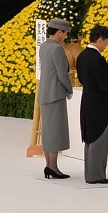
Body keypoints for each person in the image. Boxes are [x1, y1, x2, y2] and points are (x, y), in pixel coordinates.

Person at [76, 25, 108, 184]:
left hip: (87, 100)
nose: (107, 45)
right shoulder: (98, 59)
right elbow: (104, 85)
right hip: (99, 104)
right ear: (99, 40)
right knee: (99, 138)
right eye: (107, 41)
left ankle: (90, 174)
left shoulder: (82, 56)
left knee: (90, 138)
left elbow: (86, 79)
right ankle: (96, 176)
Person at [38, 17, 74, 179]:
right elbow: (62, 74)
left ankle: (49, 166)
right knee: (55, 132)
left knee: (48, 131)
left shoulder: (44, 46)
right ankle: (53, 167)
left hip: (45, 93)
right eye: (65, 33)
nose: (65, 36)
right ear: (59, 32)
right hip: (55, 95)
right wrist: (69, 89)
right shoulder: (57, 49)